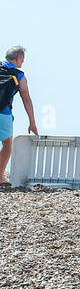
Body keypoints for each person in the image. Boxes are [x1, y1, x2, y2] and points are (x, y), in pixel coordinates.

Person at [0, 46, 38, 186]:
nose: (23, 62)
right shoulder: (18, 74)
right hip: (3, 113)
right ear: (18, 58)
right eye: (23, 59)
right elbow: (26, 97)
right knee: (7, 145)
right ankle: (0, 177)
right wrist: (32, 122)